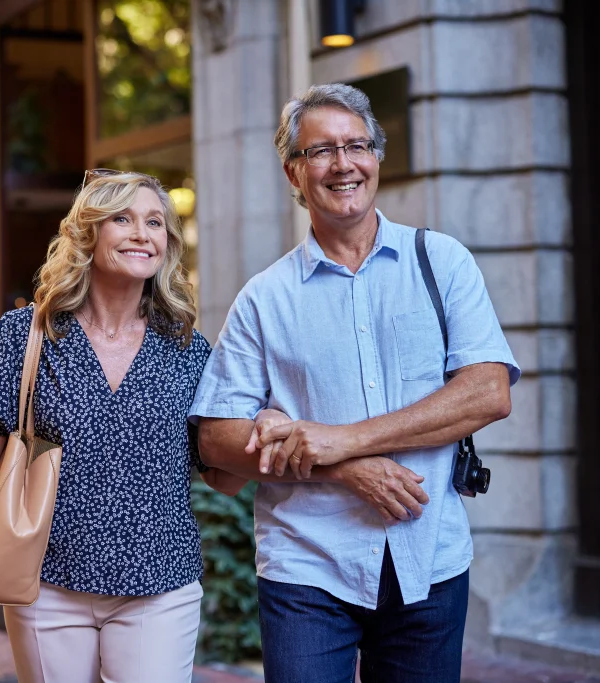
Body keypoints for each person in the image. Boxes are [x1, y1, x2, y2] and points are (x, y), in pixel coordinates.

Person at [190, 83, 520, 683]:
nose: (343, 164)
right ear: (294, 173)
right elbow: (214, 441)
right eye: (321, 152)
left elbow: (488, 392)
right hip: (306, 569)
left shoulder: (441, 261)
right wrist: (338, 467)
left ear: (376, 158)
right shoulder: (265, 298)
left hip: (430, 561)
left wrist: (343, 440)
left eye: (357, 146)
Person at [0, 170, 245, 683]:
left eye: (156, 222)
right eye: (123, 218)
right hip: (45, 586)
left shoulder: (187, 349)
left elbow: (221, 474)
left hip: (159, 588)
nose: (143, 233)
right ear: (88, 232)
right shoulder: (27, 335)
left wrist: (265, 431)